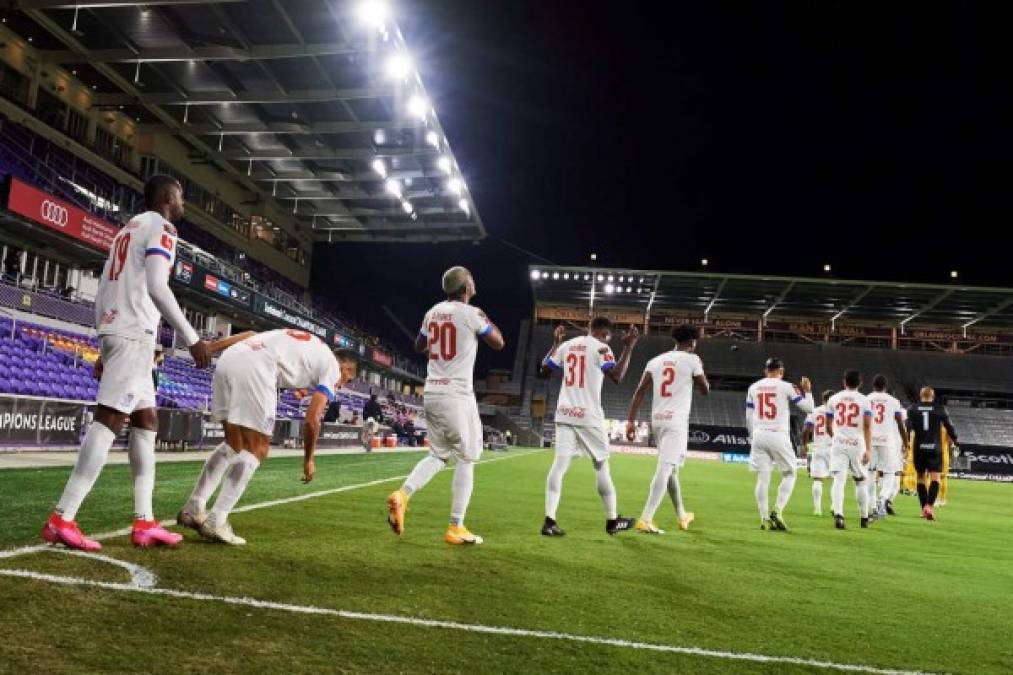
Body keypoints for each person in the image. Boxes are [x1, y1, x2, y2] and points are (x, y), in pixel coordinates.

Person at [42, 175, 211, 552]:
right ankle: (62, 517)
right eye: (181, 197)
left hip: (120, 330)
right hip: (135, 333)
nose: (183, 205)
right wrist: (192, 336)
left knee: (146, 422)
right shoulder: (162, 227)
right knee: (109, 420)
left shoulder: (126, 230)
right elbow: (156, 284)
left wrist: (103, 344)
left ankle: (144, 521)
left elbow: (104, 287)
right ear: (168, 197)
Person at [177, 330, 358, 544]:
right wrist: (308, 459)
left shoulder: (313, 346)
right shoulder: (332, 366)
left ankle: (194, 507)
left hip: (229, 359)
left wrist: (211, 348)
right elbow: (312, 419)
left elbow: (253, 334)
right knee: (258, 449)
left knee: (233, 445)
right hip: (258, 367)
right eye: (347, 378)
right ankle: (217, 520)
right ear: (345, 367)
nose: (342, 383)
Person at [386, 266, 504, 545]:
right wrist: (482, 321)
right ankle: (456, 526)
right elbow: (499, 342)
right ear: (466, 287)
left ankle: (403, 495)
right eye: (472, 279)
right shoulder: (472, 313)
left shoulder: (432, 312)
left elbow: (419, 345)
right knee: (467, 457)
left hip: (432, 392)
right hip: (457, 394)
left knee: (438, 456)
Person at [540, 318, 640, 537]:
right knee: (601, 465)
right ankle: (612, 520)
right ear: (606, 333)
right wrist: (628, 347)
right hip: (588, 416)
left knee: (559, 465)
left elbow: (544, 369)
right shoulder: (602, 348)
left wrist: (556, 343)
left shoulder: (568, 345)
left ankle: (549, 520)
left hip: (564, 413)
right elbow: (617, 376)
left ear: (590, 329)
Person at [625, 324, 709, 534]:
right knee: (665, 469)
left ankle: (682, 515)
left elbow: (639, 392)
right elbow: (705, 390)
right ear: (692, 342)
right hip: (676, 422)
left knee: (671, 470)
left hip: (658, 421)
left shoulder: (656, 360)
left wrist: (630, 421)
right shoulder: (692, 359)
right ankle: (646, 518)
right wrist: (697, 372)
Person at [745, 357, 813, 531]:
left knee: (762, 478)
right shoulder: (787, 386)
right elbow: (808, 409)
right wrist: (808, 391)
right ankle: (778, 510)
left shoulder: (754, 387)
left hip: (759, 435)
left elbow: (749, 416)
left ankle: (763, 518)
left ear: (765, 371)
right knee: (790, 474)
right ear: (781, 371)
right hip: (778, 435)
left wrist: (752, 436)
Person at [826, 370, 874, 529]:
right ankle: (864, 517)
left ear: (844, 382)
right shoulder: (865, 401)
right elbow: (867, 426)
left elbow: (828, 424)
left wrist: (836, 437)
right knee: (860, 481)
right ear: (860, 383)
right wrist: (868, 449)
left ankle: (839, 514)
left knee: (838, 480)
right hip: (857, 444)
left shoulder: (833, 399)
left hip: (839, 443)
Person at [905, 386, 958, 521]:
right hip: (935, 448)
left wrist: (905, 443)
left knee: (921, 478)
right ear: (933, 396)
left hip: (919, 447)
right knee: (935, 478)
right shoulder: (939, 409)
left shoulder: (912, 409)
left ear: (920, 395)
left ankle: (924, 508)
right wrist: (955, 439)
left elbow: (908, 426)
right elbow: (949, 426)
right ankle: (929, 506)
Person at [867, 374, 909, 517]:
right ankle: (883, 498)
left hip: (870, 441)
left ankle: (872, 506)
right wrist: (906, 441)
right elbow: (900, 423)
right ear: (885, 386)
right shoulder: (894, 401)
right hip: (887, 442)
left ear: (873, 385)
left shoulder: (866, 399)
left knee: (871, 473)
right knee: (890, 473)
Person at [801, 390, 834, 516]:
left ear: (823, 399)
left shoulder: (814, 411)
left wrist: (804, 445)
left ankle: (817, 509)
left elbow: (805, 430)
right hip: (834, 448)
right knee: (837, 479)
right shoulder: (837, 411)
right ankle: (834, 506)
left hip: (818, 448)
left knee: (817, 480)